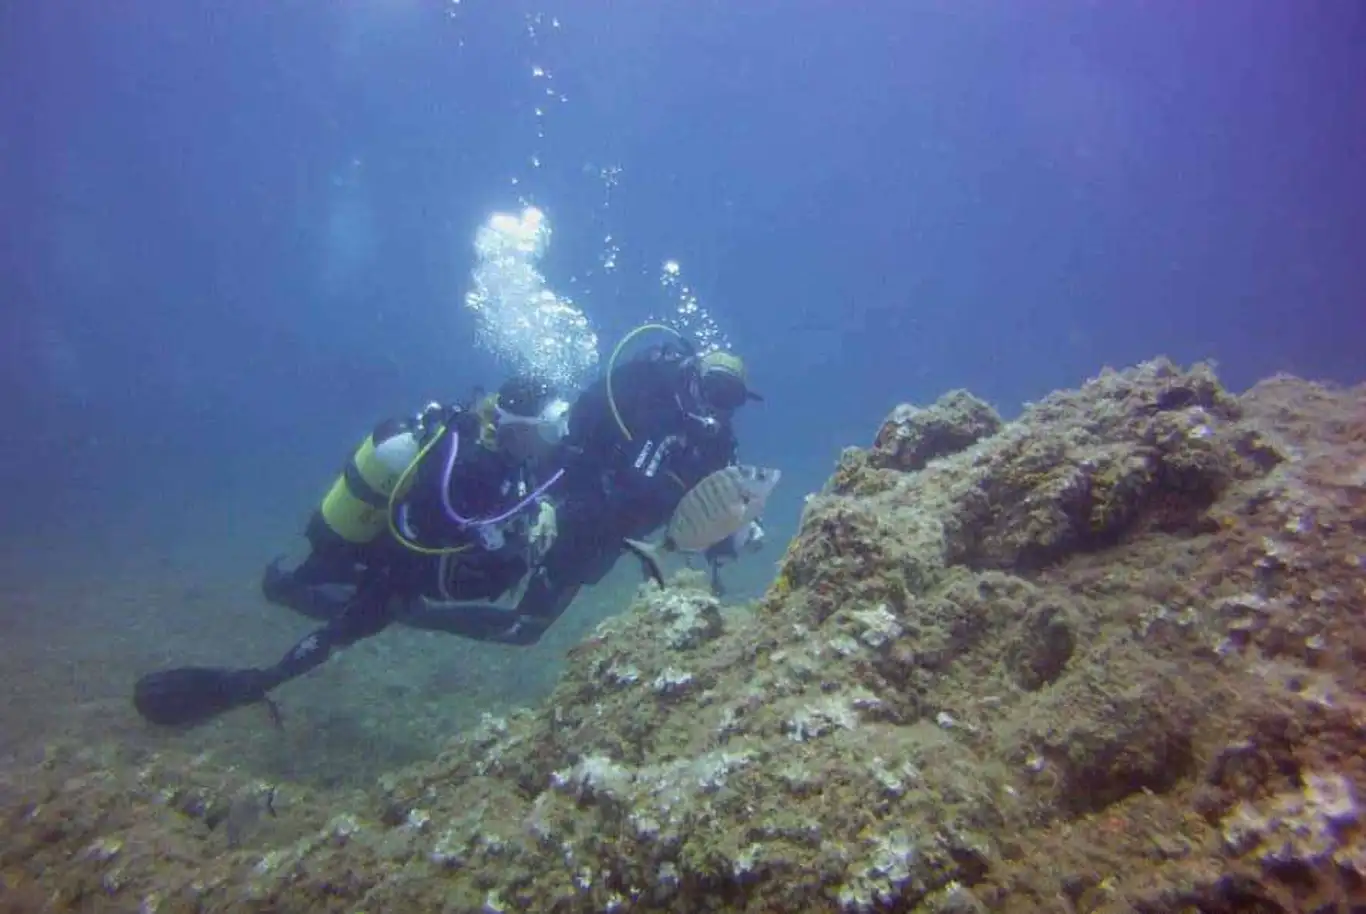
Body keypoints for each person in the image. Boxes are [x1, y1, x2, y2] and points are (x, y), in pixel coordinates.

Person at [132, 376, 569, 727]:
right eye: (549, 430)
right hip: (394, 556)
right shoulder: (470, 464)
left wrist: (540, 508)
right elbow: (440, 529)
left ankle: (288, 586)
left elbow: (515, 494)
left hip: (401, 543)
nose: (556, 438)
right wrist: (508, 547)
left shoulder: (500, 451)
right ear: (518, 426)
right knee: (356, 621)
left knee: (348, 598)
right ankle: (246, 683)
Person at [429, 329, 767, 646]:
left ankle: (418, 607)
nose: (717, 405)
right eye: (714, 390)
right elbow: (620, 466)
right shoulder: (652, 397)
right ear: (694, 378)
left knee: (527, 628)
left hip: (611, 536)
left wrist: (733, 533)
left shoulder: (717, 444)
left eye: (730, 398)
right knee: (503, 592)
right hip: (576, 505)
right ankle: (415, 594)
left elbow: (720, 497)